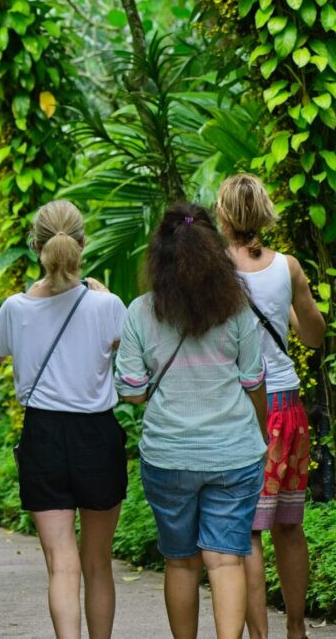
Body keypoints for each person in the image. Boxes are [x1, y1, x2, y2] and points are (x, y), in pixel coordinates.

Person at [115, 203, 268, 639]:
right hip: (234, 453)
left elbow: (131, 389)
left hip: (169, 455)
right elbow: (253, 379)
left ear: (158, 255)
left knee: (181, 562)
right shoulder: (238, 308)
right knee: (225, 559)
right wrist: (260, 434)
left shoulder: (141, 311)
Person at [0, 200, 129, 639]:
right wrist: (100, 300)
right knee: (98, 563)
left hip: (42, 436)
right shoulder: (107, 306)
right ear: (81, 246)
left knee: (61, 566)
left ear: (36, 247)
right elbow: (129, 356)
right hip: (96, 435)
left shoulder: (15, 307)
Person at [216, 174, 327, 639]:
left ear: (223, 216)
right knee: (289, 525)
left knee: (247, 534)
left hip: (243, 410)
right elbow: (313, 335)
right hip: (289, 408)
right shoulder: (290, 267)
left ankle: (260, 636)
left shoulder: (216, 269)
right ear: (263, 214)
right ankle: (297, 629)